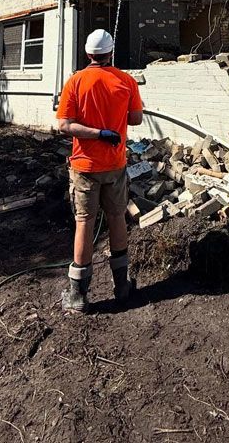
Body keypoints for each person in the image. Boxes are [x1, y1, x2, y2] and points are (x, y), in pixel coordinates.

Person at [56, 29, 143, 313]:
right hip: (115, 166)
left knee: (85, 222)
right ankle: (122, 287)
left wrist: (95, 133)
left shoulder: (75, 81)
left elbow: (64, 125)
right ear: (110, 52)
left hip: (84, 167)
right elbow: (136, 119)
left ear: (87, 53)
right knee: (117, 218)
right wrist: (112, 121)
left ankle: (78, 295)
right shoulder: (127, 81)